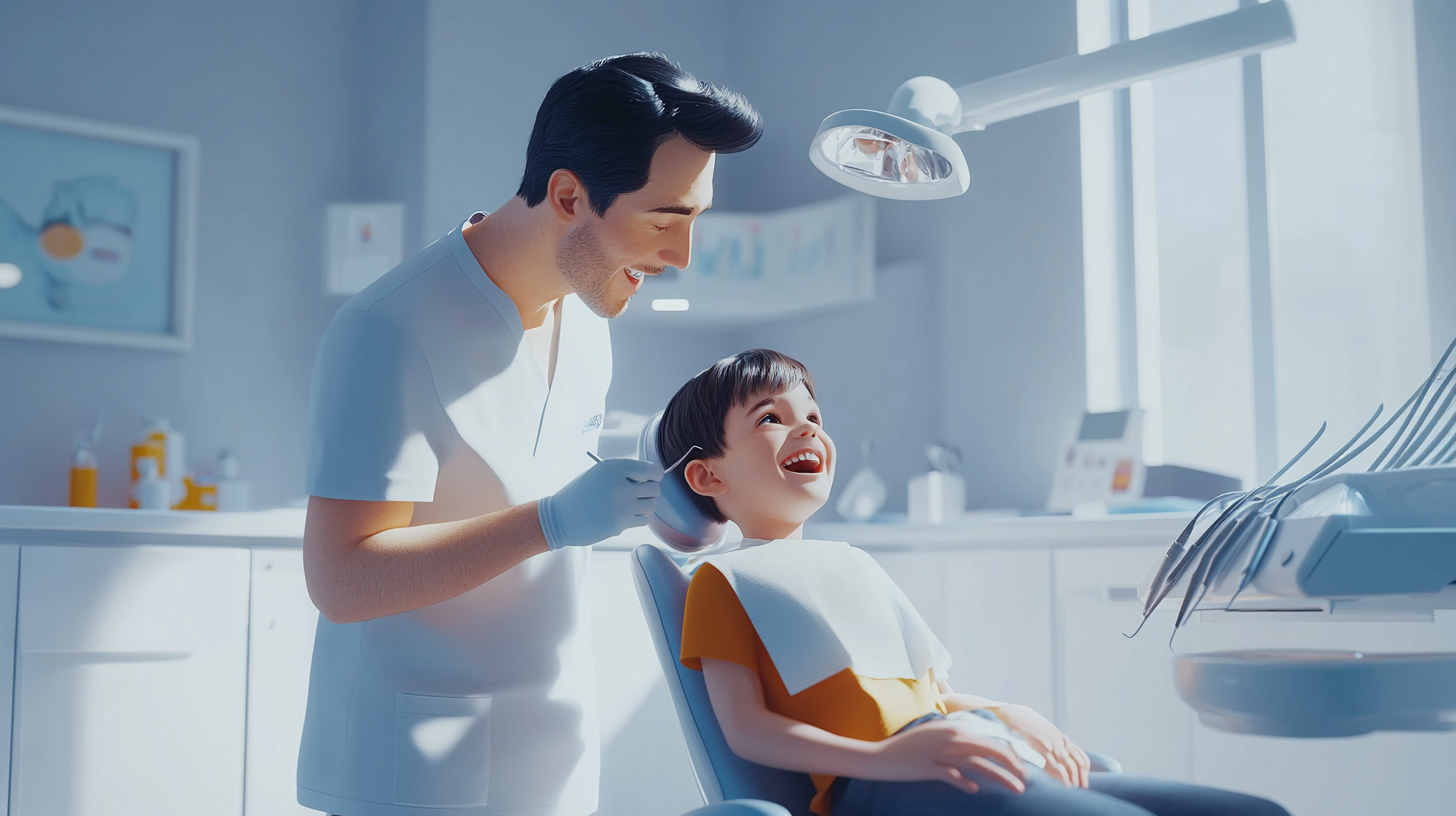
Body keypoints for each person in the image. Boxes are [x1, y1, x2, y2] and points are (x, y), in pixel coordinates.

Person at [296, 54, 761, 816]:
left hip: (552, 751)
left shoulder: (588, 320)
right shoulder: (388, 330)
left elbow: (530, 469)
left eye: (694, 220)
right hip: (414, 768)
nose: (680, 257)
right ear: (569, 195)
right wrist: (548, 524)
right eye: (664, 219)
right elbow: (340, 581)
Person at [661, 349, 1290, 816]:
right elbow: (746, 729)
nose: (808, 430)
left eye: (814, 415)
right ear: (708, 478)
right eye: (771, 418)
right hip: (882, 785)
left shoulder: (853, 563)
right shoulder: (726, 580)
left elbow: (930, 697)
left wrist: (1005, 711)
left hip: (965, 753)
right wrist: (884, 760)